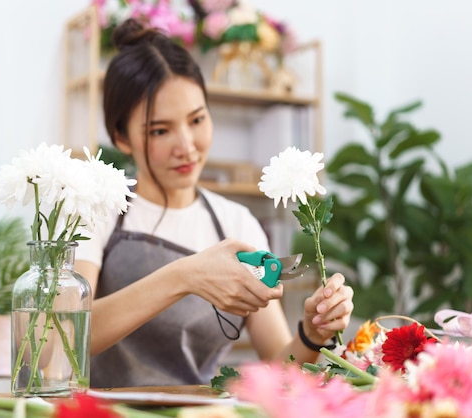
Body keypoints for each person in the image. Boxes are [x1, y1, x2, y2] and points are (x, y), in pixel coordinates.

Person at [74, 18, 354, 388]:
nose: (187, 146)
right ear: (121, 137)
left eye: (197, 120)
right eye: (160, 130)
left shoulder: (236, 225)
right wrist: (184, 276)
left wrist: (311, 335)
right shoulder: (96, 211)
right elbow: (63, 339)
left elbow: (281, 369)